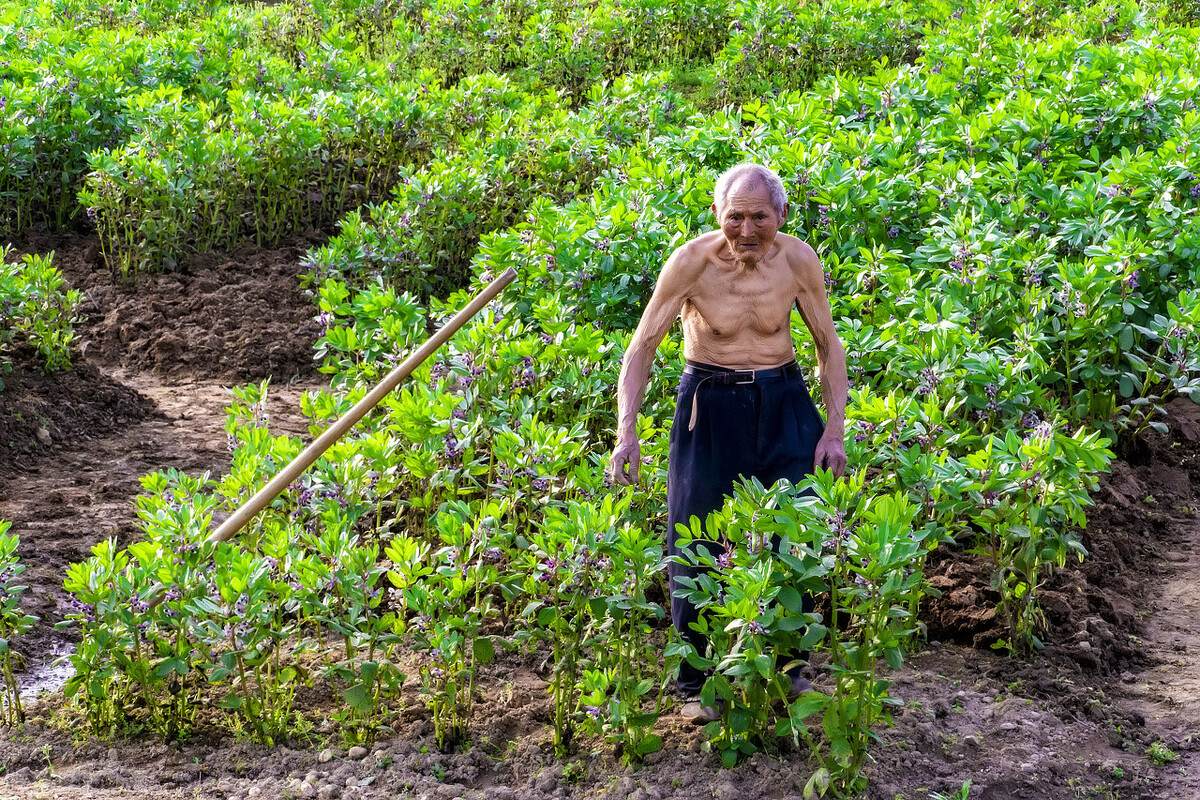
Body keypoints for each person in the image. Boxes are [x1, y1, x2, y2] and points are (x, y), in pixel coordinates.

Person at [609, 162, 848, 723]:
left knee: (800, 526)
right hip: (709, 402)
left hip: (784, 398)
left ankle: (791, 666)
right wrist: (628, 431)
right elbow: (642, 347)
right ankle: (695, 681)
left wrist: (833, 428)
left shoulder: (797, 260)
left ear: (781, 215)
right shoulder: (692, 263)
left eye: (758, 217)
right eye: (734, 216)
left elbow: (828, 345)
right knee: (695, 533)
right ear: (718, 215)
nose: (745, 230)